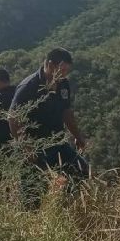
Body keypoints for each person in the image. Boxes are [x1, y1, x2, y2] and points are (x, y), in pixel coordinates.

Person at [10, 48, 89, 208]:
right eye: (63, 70)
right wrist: (26, 147)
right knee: (33, 193)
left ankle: (66, 209)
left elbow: (66, 112)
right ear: (51, 65)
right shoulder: (29, 86)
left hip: (57, 142)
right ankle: (30, 225)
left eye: (68, 71)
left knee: (80, 169)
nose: (65, 74)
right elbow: (13, 118)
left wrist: (78, 136)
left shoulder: (63, 84)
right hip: (35, 146)